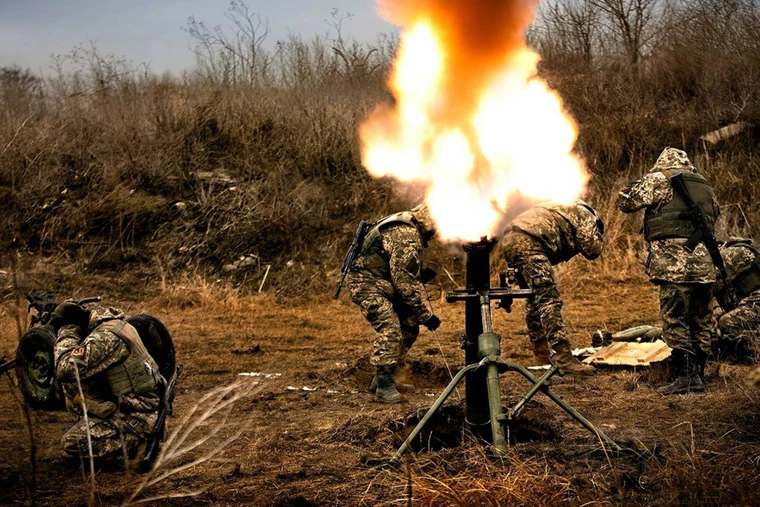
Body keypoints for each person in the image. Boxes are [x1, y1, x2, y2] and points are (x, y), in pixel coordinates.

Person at [618, 147, 720, 395]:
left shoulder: (660, 179)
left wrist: (633, 185)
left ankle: (684, 376)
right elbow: (714, 214)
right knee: (701, 320)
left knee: (675, 318)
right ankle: (699, 374)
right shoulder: (704, 184)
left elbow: (626, 202)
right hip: (705, 265)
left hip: (675, 265)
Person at [347, 203, 441, 403]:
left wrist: (418, 273)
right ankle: (384, 387)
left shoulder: (407, 224)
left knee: (409, 326)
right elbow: (405, 286)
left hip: (381, 283)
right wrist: (426, 316)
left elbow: (397, 269)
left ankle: (384, 376)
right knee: (390, 329)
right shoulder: (405, 235)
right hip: (367, 286)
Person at [501, 200, 603, 375]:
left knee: (534, 298)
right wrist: (598, 236)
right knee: (548, 300)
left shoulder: (560, 206)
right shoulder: (586, 215)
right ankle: (563, 358)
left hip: (511, 240)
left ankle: (541, 352)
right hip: (531, 244)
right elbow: (592, 250)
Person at [52, 302, 163, 460]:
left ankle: (135, 443)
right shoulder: (115, 324)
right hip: (139, 407)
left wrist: (66, 333)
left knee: (73, 443)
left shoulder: (104, 339)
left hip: (136, 418)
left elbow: (64, 369)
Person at [713, 239, 760, 359]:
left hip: (757, 305)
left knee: (726, 322)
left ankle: (750, 350)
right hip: (754, 304)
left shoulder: (732, 254)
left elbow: (704, 286)